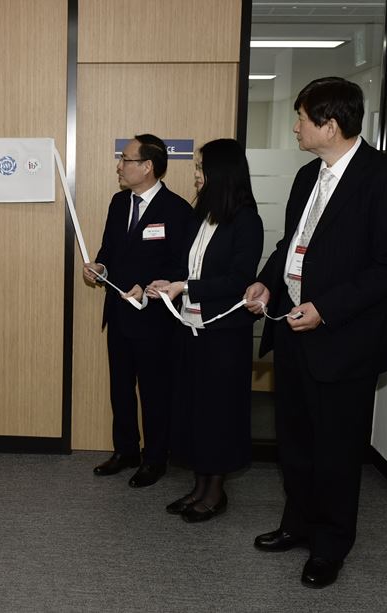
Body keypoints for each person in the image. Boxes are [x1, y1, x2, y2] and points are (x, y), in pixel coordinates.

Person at [243, 77, 387, 588]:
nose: (295, 127)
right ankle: (297, 525)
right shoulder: (306, 176)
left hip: (346, 339)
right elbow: (290, 244)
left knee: (337, 450)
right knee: (295, 442)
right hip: (294, 332)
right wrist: (265, 282)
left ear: (330, 124)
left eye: (301, 118)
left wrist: (327, 307)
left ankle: (331, 545)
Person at [144, 138, 263, 522]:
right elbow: (187, 265)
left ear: (220, 173)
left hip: (223, 335)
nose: (195, 176)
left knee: (218, 416)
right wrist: (168, 283)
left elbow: (238, 279)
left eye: (200, 169)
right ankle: (199, 487)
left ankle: (216, 493)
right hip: (191, 329)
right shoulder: (203, 215)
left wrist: (188, 287)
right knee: (194, 412)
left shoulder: (246, 219)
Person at [83, 134, 193, 488]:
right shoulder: (119, 203)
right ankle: (126, 450)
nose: (119, 166)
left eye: (126, 160)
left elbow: (183, 268)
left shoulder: (177, 210)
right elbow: (109, 250)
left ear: (148, 166)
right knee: (120, 388)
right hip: (118, 313)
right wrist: (99, 268)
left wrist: (150, 289)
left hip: (156, 320)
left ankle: (155, 457)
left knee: (154, 391)